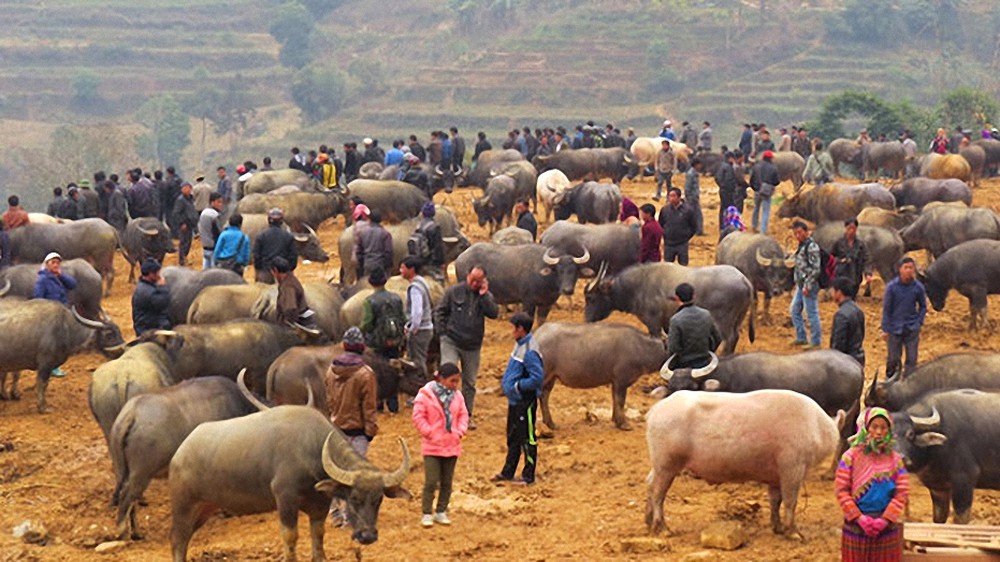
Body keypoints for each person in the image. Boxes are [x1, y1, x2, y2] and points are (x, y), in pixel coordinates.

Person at [835, 407, 910, 562]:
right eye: (874, 427)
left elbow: (901, 493)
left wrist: (885, 519)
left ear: (889, 431)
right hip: (856, 527)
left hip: (886, 528)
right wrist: (859, 518)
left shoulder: (896, 460)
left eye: (883, 427)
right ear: (865, 428)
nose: (878, 432)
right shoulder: (850, 457)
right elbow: (841, 491)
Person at [434, 265, 498, 427]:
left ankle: (466, 415)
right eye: (472, 279)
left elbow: (494, 313)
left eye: (478, 281)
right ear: (467, 275)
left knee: (469, 382)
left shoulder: (485, 296)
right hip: (451, 341)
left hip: (472, 345)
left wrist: (484, 296)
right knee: (447, 375)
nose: (474, 283)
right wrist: (443, 333)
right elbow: (440, 311)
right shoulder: (453, 291)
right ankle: (444, 413)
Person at [412, 362, 468, 527]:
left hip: (451, 445)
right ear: (441, 379)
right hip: (433, 446)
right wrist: (430, 433)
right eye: (452, 381)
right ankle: (427, 512)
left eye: (457, 381)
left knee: (447, 482)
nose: (455, 385)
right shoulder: (425, 395)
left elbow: (464, 415)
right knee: (431, 481)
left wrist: (459, 432)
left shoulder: (457, 396)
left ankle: (441, 511)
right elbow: (418, 416)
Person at [492, 312, 544, 486]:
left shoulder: (529, 351)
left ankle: (528, 477)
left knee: (528, 438)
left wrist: (517, 386)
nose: (511, 331)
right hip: (515, 401)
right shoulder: (520, 345)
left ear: (520, 329)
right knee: (513, 437)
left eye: (513, 328)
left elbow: (537, 378)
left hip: (524, 401)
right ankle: (508, 472)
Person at [881, 257, 927, 378]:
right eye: (906, 267)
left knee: (912, 359)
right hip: (894, 328)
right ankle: (890, 381)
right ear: (900, 270)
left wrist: (919, 322)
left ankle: (909, 383)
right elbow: (887, 309)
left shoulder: (918, 287)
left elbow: (923, 306)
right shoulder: (891, 287)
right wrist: (885, 329)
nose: (908, 270)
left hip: (911, 328)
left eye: (911, 268)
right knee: (893, 359)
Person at [666, 283, 722, 370]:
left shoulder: (675, 320)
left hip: (684, 366)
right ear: (694, 296)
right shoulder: (706, 314)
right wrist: (709, 352)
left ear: (677, 298)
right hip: (705, 363)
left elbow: (673, 348)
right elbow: (718, 338)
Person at [790, 221, 822, 348]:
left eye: (799, 232)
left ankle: (815, 342)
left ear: (806, 231)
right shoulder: (802, 245)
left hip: (809, 285)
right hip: (801, 284)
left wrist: (807, 286)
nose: (797, 236)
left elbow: (816, 269)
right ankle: (801, 337)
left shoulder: (811, 246)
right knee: (794, 310)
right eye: (795, 233)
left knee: (811, 313)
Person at [401, 256, 434, 378]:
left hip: (420, 331)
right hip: (426, 328)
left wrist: (413, 329)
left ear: (411, 270)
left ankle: (420, 388)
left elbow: (417, 312)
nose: (400, 270)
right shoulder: (422, 282)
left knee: (417, 363)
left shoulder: (415, 288)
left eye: (403, 267)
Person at [253, 208, 297, 283]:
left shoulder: (261, 236)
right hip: (283, 275)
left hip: (265, 273)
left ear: (268, 220)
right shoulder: (288, 237)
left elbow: (256, 256)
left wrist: (260, 269)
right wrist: (287, 270)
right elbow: (293, 256)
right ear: (281, 221)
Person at [830, 277, 866, 368]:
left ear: (839, 292)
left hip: (845, 363)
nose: (831, 293)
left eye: (833, 290)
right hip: (858, 358)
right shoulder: (858, 310)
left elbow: (838, 344)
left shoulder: (841, 315)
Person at [832, 218, 873, 296]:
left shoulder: (860, 244)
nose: (851, 231)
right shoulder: (838, 243)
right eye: (849, 228)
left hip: (855, 277)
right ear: (845, 228)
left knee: (852, 298)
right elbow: (831, 257)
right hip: (842, 276)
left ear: (856, 229)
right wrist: (840, 261)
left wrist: (868, 273)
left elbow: (866, 259)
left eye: (853, 228)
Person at [658, 187, 698, 265]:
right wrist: (665, 234)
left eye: (673, 196)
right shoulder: (665, 210)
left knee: (683, 266)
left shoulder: (688, 210)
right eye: (670, 196)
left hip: (682, 243)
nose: (671, 198)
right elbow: (661, 224)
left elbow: (694, 226)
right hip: (668, 243)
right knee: (668, 267)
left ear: (679, 197)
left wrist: (686, 236)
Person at [132, 257, 171, 335]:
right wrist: (163, 287)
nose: (159, 276)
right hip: (148, 331)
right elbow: (163, 302)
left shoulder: (144, 286)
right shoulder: (147, 291)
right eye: (157, 273)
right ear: (150, 274)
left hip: (146, 326)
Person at [356, 209, 393, 279]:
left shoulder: (362, 233)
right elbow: (388, 252)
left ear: (369, 219)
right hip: (380, 266)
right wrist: (387, 266)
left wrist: (362, 264)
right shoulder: (385, 234)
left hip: (367, 265)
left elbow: (358, 252)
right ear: (381, 220)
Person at [750, 150, 780, 234]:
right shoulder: (773, 168)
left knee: (756, 208)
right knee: (765, 211)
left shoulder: (756, 166)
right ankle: (763, 230)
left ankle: (754, 225)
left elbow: (751, 179)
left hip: (757, 190)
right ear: (770, 159)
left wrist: (755, 188)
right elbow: (777, 181)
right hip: (767, 192)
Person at [171, 182, 199, 267]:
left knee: (189, 242)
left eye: (188, 188)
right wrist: (181, 223)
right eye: (184, 188)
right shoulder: (180, 200)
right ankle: (181, 261)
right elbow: (176, 213)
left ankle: (185, 258)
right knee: (183, 242)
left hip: (190, 224)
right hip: (184, 225)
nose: (186, 190)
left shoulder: (190, 198)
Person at [198, 192, 224, 269]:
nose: (221, 204)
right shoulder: (214, 215)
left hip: (205, 246)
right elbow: (218, 232)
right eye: (218, 202)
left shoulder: (203, 212)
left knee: (206, 271)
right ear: (212, 202)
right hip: (214, 248)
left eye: (221, 202)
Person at [714, 151, 738, 229]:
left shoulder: (721, 166)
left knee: (723, 208)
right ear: (730, 158)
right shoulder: (728, 167)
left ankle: (722, 225)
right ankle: (727, 225)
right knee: (728, 208)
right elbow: (729, 180)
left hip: (722, 190)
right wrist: (732, 188)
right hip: (728, 191)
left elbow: (716, 178)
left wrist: (721, 185)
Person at [683, 158, 704, 236]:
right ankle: (697, 230)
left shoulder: (693, 173)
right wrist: (690, 197)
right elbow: (687, 187)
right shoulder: (691, 174)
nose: (701, 166)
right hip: (692, 198)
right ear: (696, 165)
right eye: (699, 164)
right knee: (696, 215)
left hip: (693, 197)